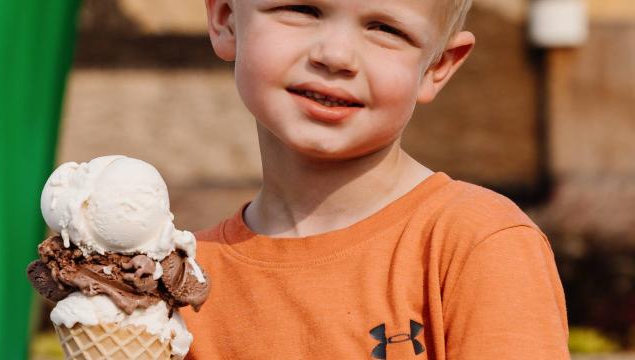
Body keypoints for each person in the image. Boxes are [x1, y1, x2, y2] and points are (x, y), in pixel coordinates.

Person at [181, 0, 570, 358]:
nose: (335, 56)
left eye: (386, 29)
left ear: (437, 66)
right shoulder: (177, 278)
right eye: (301, 9)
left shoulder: (476, 243)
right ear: (225, 18)